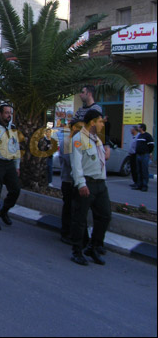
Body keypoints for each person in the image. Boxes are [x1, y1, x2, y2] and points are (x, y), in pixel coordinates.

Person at [70, 109, 111, 266]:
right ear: (92, 122)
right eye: (100, 121)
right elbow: (76, 164)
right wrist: (81, 183)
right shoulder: (78, 139)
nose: (102, 124)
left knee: (105, 216)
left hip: (100, 184)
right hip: (87, 183)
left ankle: (93, 247)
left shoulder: (97, 139)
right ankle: (77, 251)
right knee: (80, 219)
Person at [132, 123, 154, 192]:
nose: (137, 128)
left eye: (139, 127)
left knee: (144, 171)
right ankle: (139, 185)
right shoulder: (139, 136)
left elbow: (151, 145)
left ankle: (144, 186)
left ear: (142, 128)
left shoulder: (147, 136)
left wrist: (148, 152)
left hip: (144, 155)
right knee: (138, 171)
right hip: (138, 155)